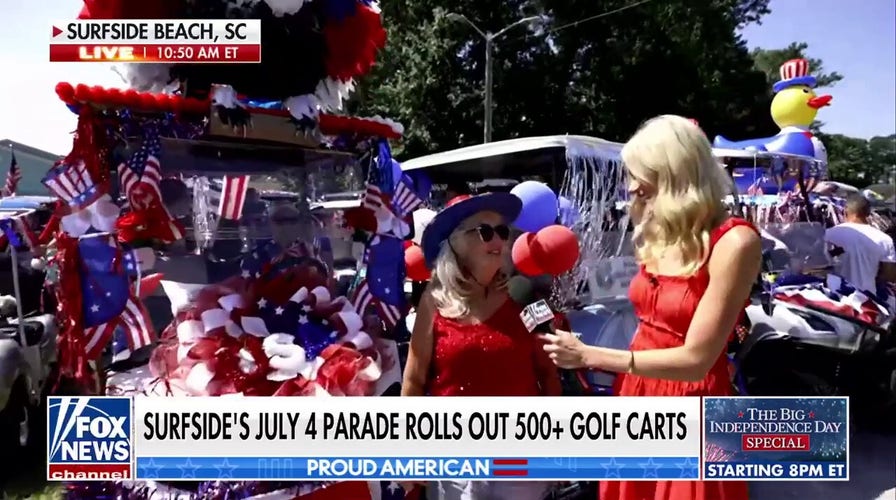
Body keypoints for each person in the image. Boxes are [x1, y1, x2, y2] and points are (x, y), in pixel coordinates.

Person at [541, 115, 761, 500]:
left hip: (691, 402)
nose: (630, 188)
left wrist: (591, 355)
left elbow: (696, 359)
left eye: (641, 178)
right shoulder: (658, 236)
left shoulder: (734, 242)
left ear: (675, 175)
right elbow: (649, 324)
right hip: (638, 392)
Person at [401, 193, 561, 500]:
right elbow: (414, 380)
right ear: (457, 242)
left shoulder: (523, 294)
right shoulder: (433, 300)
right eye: (485, 231)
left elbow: (549, 373)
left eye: (502, 231)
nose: (498, 239)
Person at [825, 194, 896, 300]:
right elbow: (890, 275)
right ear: (868, 213)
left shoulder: (828, 234)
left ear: (845, 212)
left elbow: (817, 268)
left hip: (834, 298)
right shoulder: (884, 239)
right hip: (867, 301)